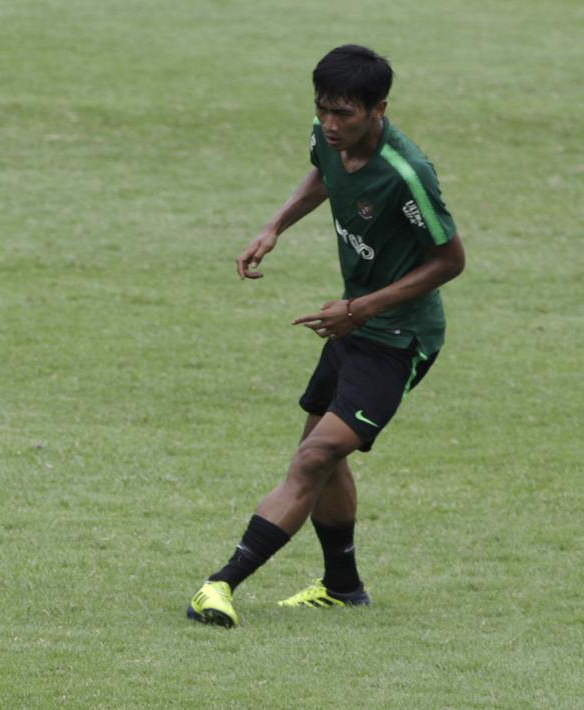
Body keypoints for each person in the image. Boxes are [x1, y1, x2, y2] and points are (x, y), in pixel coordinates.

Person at [186, 45, 466, 628]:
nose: (331, 125)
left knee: (314, 455)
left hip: (397, 337)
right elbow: (323, 172)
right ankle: (343, 586)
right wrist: (274, 227)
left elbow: (449, 261)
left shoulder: (407, 174)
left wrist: (360, 309)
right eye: (324, 110)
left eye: (346, 114)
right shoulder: (327, 135)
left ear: (378, 109)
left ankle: (219, 584)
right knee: (325, 458)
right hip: (351, 321)